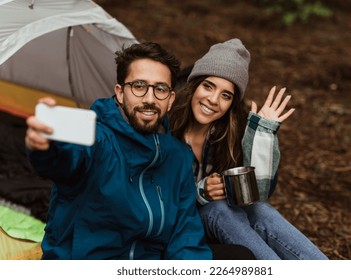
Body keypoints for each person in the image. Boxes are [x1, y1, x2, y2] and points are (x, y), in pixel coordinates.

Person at [24, 42, 214, 260]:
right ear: (121, 93)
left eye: (160, 89)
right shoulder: (96, 137)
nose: (150, 99)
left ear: (170, 99)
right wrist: (46, 146)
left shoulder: (178, 157)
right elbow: (66, 158)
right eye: (139, 86)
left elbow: (185, 237)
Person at [169, 38, 328, 260]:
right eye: (208, 86)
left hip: (222, 226)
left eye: (226, 95)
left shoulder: (226, 134)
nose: (214, 100)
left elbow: (257, 194)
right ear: (194, 85)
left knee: (260, 210)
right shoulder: (166, 129)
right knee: (217, 209)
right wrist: (200, 192)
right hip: (179, 230)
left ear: (232, 103)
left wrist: (263, 135)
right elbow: (154, 198)